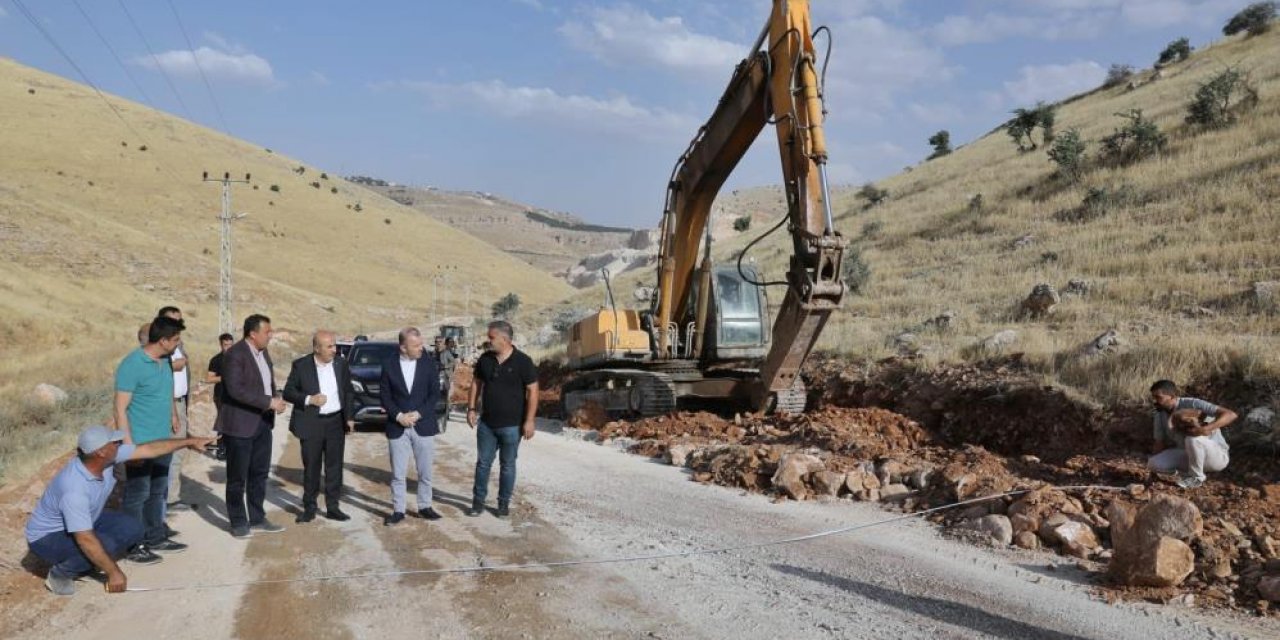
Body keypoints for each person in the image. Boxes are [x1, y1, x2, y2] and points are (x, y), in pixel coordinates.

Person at [25, 425, 214, 596]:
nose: (119, 443)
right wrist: (114, 573)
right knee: (104, 544)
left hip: (86, 520)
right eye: (114, 442)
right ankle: (60, 574)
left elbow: (149, 449)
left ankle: (87, 562)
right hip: (47, 537)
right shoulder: (74, 488)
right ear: (100, 452)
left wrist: (190, 442)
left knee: (133, 527)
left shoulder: (104, 458)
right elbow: (85, 539)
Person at [115, 315, 188, 563]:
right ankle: (133, 544)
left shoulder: (165, 361)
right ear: (164, 340)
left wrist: (173, 414)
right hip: (140, 442)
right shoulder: (132, 364)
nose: (179, 344)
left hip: (162, 439)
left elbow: (166, 391)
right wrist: (127, 447)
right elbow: (120, 408)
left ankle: (155, 535)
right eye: (176, 339)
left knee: (158, 489)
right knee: (138, 493)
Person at [219, 314, 287, 538]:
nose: (271, 335)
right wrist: (269, 402)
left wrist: (276, 397)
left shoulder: (263, 353)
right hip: (240, 425)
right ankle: (238, 521)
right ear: (253, 333)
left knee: (259, 474)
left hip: (262, 423)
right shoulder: (235, 355)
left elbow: (267, 382)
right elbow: (235, 390)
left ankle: (257, 517)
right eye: (267, 331)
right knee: (237, 477)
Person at [465, 320, 539, 518]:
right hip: (487, 424)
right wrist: (471, 408)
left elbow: (533, 391)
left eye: (491, 337)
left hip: (512, 426)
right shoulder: (485, 360)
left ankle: (503, 504)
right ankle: (478, 502)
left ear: (504, 339)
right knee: (483, 464)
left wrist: (529, 421)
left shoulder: (523, 362)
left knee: (507, 466)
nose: (488, 341)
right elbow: (476, 383)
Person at [282, 330, 355, 523]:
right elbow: (288, 392)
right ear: (316, 348)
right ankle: (309, 508)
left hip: (335, 423)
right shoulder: (301, 366)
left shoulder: (341, 364)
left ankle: (333, 507)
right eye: (329, 346)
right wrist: (309, 399)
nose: (334, 350)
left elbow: (348, 391)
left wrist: (349, 417)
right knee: (312, 467)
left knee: (334, 468)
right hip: (311, 423)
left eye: (335, 345)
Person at [380, 327, 442, 525]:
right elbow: (385, 396)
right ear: (403, 347)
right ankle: (398, 510)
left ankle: (425, 506)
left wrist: (419, 413)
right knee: (398, 474)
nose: (421, 348)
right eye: (415, 345)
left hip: (423, 425)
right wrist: (398, 416)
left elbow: (434, 394)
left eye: (421, 344)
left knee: (425, 472)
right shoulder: (389, 365)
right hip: (397, 427)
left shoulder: (429, 364)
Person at [1148, 380, 1237, 489]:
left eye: (1158, 397)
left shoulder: (1192, 403)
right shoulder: (1159, 414)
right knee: (1153, 463)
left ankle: (1196, 478)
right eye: (1153, 397)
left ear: (1172, 396)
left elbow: (1231, 415)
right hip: (1189, 456)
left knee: (1193, 439)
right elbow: (1159, 443)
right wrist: (1152, 473)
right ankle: (1186, 474)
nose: (1155, 401)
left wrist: (1206, 429)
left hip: (1216, 457)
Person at [157, 306, 194, 513]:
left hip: (179, 403)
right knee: (167, 452)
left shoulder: (179, 344)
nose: (177, 325)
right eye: (173, 320)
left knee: (178, 452)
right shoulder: (158, 346)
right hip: (168, 405)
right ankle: (164, 501)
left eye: (180, 320)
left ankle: (172, 497)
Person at [206, 333, 235, 460]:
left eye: (230, 345)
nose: (228, 347)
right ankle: (221, 449)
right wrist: (225, 378)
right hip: (221, 396)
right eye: (225, 345)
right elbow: (209, 378)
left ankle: (233, 450)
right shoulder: (216, 360)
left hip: (236, 397)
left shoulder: (238, 358)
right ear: (221, 345)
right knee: (223, 423)